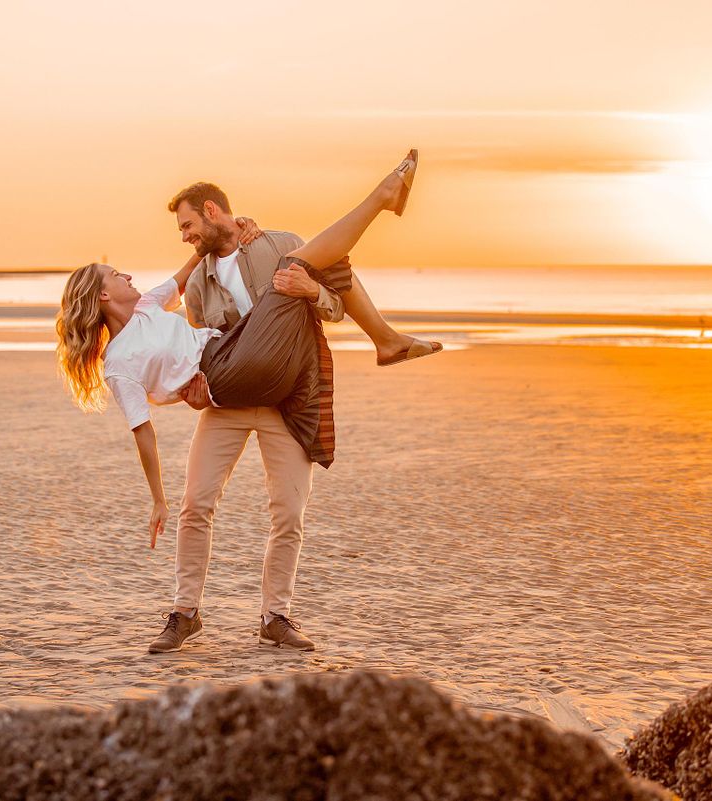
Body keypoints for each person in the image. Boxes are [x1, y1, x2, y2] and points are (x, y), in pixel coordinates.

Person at [55, 150, 439, 652]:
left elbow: (331, 307)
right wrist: (185, 401)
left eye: (189, 224)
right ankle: (184, 612)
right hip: (224, 391)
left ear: (215, 212)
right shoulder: (187, 293)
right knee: (196, 505)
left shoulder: (274, 245)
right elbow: (173, 366)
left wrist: (308, 291)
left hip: (280, 390)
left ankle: (275, 616)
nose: (187, 238)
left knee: (289, 512)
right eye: (183, 231)